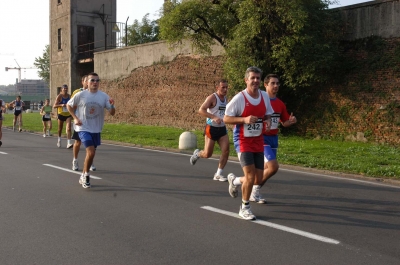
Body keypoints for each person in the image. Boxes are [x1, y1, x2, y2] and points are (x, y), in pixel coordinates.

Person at [223, 66, 273, 220]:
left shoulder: (264, 96)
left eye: (258, 78)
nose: (256, 81)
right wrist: (244, 119)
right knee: (250, 176)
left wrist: (268, 121)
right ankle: (244, 207)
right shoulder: (240, 98)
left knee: (258, 179)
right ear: (246, 80)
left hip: (258, 140)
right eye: (253, 78)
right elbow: (226, 118)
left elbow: (268, 114)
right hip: (243, 141)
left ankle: (235, 180)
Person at [250, 74, 297, 203]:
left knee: (265, 170)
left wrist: (291, 121)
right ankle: (253, 191)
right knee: (273, 167)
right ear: (265, 85)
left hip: (273, 139)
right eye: (273, 83)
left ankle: (242, 184)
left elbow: (285, 122)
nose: (276, 86)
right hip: (261, 138)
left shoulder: (280, 104)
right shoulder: (259, 100)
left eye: (277, 83)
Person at [67, 72, 115, 188]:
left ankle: (83, 174)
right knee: (91, 151)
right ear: (87, 82)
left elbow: (112, 113)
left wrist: (112, 106)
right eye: (92, 80)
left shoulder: (104, 96)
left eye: (97, 81)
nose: (95, 83)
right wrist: (75, 118)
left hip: (96, 128)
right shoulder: (80, 95)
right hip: (83, 127)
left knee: (91, 154)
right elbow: (69, 105)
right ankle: (87, 175)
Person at [190, 79, 230, 182]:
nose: (225, 89)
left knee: (226, 151)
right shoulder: (212, 98)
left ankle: (218, 174)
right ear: (217, 87)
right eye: (223, 87)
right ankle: (197, 154)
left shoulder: (226, 99)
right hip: (211, 128)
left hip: (222, 128)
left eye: (226, 87)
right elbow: (201, 110)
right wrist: (213, 117)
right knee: (207, 154)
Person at [71, 75, 96, 172]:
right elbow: (71, 105)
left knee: (91, 144)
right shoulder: (78, 92)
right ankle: (75, 160)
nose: (88, 82)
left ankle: (90, 161)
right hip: (80, 122)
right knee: (78, 142)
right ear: (83, 82)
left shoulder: (94, 93)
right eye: (87, 81)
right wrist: (75, 118)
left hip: (91, 122)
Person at [53, 84, 73, 148]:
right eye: (64, 88)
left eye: (66, 88)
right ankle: (59, 140)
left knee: (69, 128)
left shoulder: (70, 96)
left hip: (68, 114)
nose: (65, 89)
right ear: (61, 89)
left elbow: (72, 104)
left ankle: (69, 143)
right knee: (60, 129)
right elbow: (54, 106)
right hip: (61, 114)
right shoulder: (59, 96)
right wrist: (61, 105)